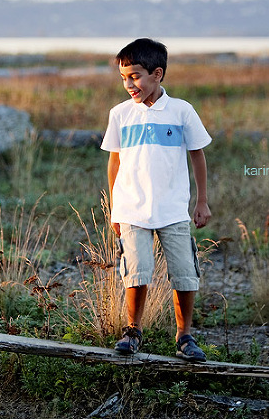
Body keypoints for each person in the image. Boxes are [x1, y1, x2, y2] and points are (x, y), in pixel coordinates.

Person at [100, 38, 212, 362]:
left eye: (134, 76)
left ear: (157, 74)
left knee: (184, 272)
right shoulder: (120, 115)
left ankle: (185, 336)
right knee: (137, 271)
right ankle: (133, 331)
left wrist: (201, 201)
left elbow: (198, 156)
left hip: (173, 209)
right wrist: (115, 210)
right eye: (123, 77)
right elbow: (114, 163)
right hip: (132, 209)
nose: (128, 84)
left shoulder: (181, 111)